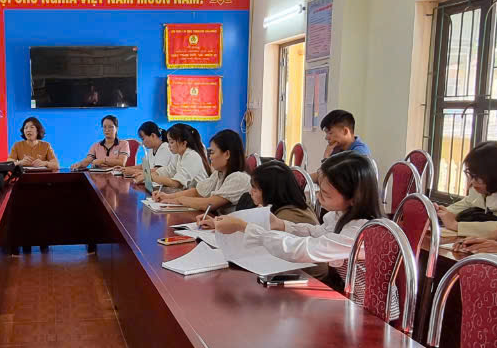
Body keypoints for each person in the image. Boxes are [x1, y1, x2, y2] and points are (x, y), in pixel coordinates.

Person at [215, 152, 392, 313]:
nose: (319, 197)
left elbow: (305, 249)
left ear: (353, 198)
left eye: (326, 194)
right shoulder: (341, 215)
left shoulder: (361, 233)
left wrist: (245, 228)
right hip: (348, 299)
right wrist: (282, 225)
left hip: (371, 311)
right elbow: (317, 233)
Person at [167, 129, 251, 213]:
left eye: (212, 152)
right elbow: (197, 192)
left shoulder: (239, 178)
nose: (210, 157)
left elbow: (208, 204)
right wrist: (168, 197)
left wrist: (180, 200)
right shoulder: (219, 174)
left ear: (227, 154)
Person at [243, 160, 318, 225]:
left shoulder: (286, 218)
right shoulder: (287, 208)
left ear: (271, 192)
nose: (250, 192)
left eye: (255, 189)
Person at [148, 123, 211, 191]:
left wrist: (152, 177)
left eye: (171, 142)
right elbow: (169, 170)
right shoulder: (178, 154)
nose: (168, 145)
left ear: (184, 143)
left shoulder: (192, 156)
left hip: (198, 195)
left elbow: (177, 183)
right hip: (187, 193)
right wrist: (155, 173)